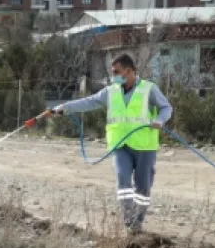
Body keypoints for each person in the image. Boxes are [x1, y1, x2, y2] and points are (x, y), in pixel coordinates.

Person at [52, 54, 173, 233]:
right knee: (123, 179)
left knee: (143, 187)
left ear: (129, 71)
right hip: (120, 145)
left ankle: (138, 221)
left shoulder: (149, 89)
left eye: (116, 72)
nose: (113, 76)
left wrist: (160, 120)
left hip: (144, 145)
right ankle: (129, 221)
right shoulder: (111, 91)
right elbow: (89, 101)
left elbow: (166, 107)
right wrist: (65, 107)